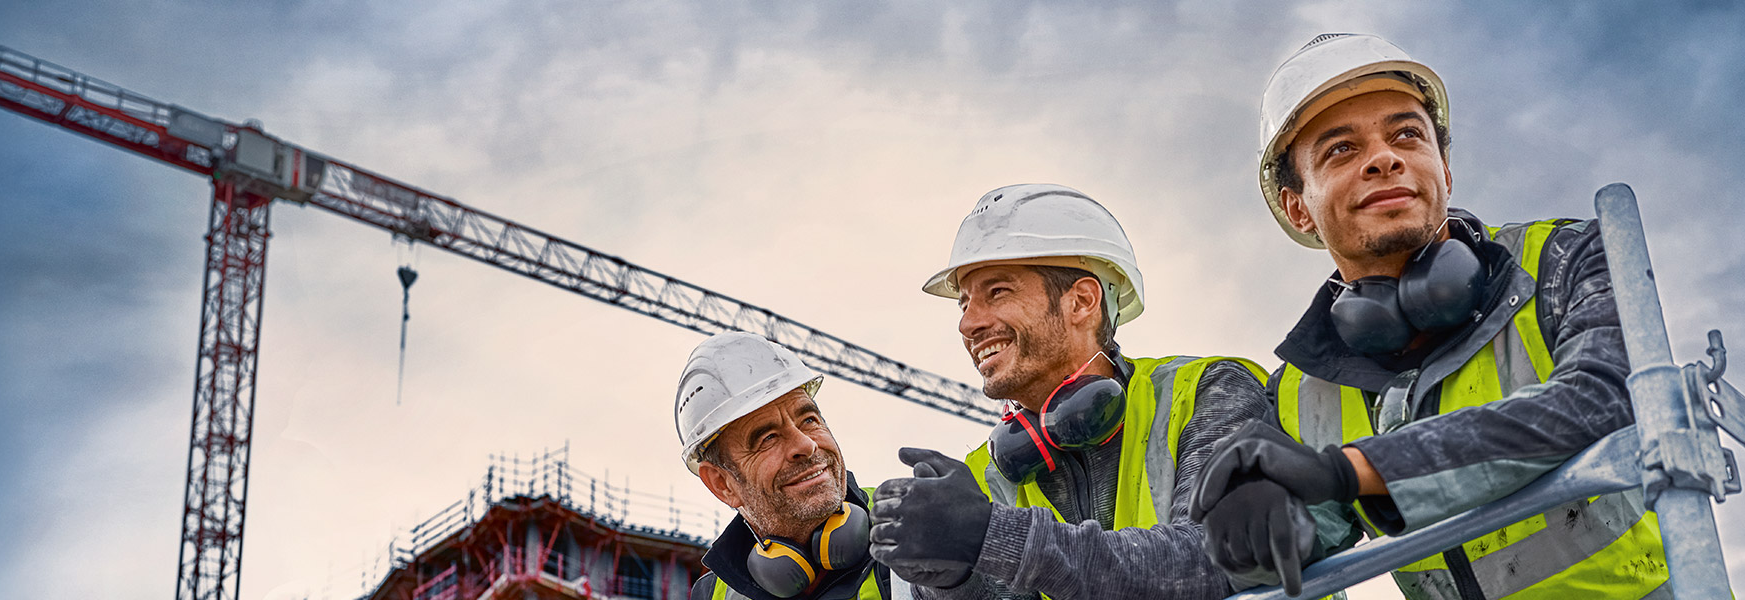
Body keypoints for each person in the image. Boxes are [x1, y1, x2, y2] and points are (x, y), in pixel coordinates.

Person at [1191, 33, 1671, 598]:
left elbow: (1606, 397)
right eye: (1341, 149)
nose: (1384, 158)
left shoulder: (1563, 258)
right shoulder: (1301, 393)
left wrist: (1353, 470)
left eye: (1406, 135)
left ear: (1443, 166)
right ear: (1299, 208)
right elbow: (1297, 547)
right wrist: (1257, 523)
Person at [866, 184, 1272, 600]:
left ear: (1081, 301)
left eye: (997, 292)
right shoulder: (985, 475)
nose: (968, 324)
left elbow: (1221, 559)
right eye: (964, 303)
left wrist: (996, 535)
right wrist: (952, 582)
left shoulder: (1206, 392)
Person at [677, 332, 900, 600]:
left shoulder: (910, 528)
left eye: (809, 420)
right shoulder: (711, 595)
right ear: (723, 484)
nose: (806, 444)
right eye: (768, 438)